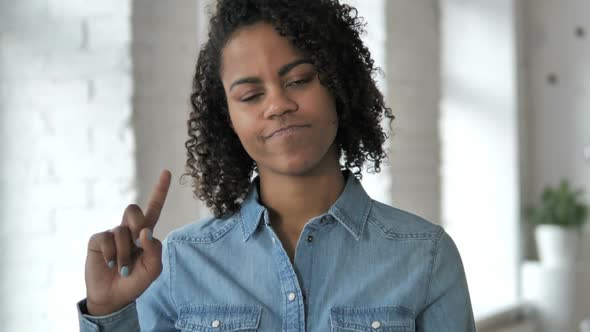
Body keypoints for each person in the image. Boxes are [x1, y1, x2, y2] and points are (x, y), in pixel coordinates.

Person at [77, 0, 476, 331]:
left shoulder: (425, 256)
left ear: (338, 84)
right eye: (250, 95)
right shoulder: (179, 263)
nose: (277, 104)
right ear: (227, 119)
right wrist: (108, 312)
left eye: (300, 79)